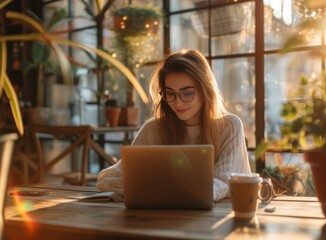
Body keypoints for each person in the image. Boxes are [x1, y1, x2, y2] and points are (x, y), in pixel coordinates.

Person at [96, 49, 251, 201]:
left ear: (206, 91)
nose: (177, 102)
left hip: (216, 220)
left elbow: (224, 182)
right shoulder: (153, 129)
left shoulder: (230, 126)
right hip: (158, 219)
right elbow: (106, 180)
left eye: (187, 93)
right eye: (170, 93)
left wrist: (160, 187)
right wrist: (169, 188)